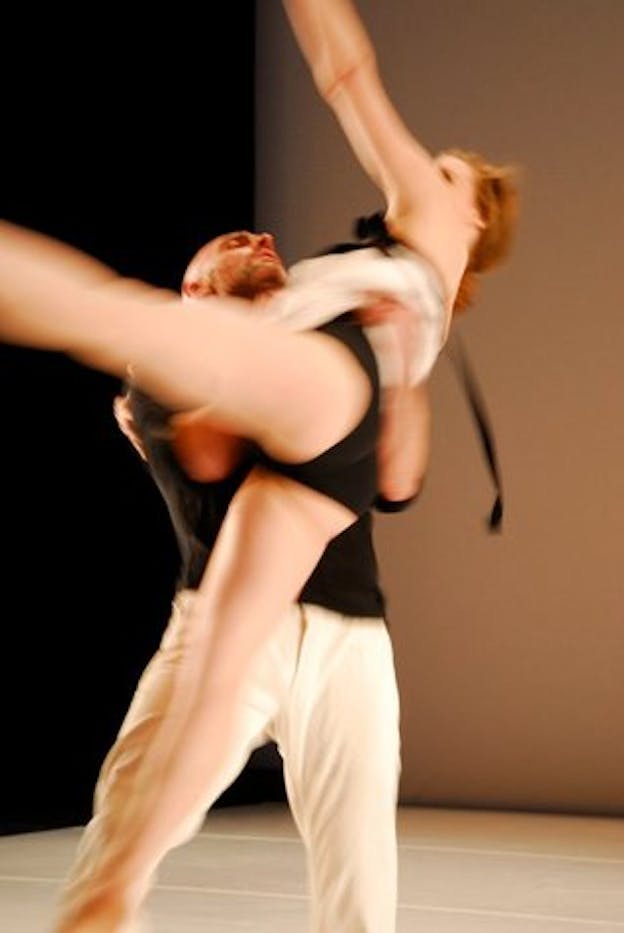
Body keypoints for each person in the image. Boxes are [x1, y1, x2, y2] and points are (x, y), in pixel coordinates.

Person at [0, 2, 518, 925]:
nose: (422, 170)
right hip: (317, 458)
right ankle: (110, 895)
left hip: (330, 405)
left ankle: (112, 886)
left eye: (445, 172)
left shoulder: (427, 228)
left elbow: (345, 72)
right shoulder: (347, 289)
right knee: (219, 665)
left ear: (472, 212)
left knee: (114, 317)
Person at [56, 228, 408, 932]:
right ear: (194, 288)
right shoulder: (162, 363)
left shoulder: (326, 350)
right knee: (135, 816)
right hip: (228, 622)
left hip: (350, 630)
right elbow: (209, 454)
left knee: (360, 861)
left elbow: (397, 479)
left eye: (264, 238)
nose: (263, 239)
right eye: (235, 241)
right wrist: (324, 384)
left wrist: (399, 358)